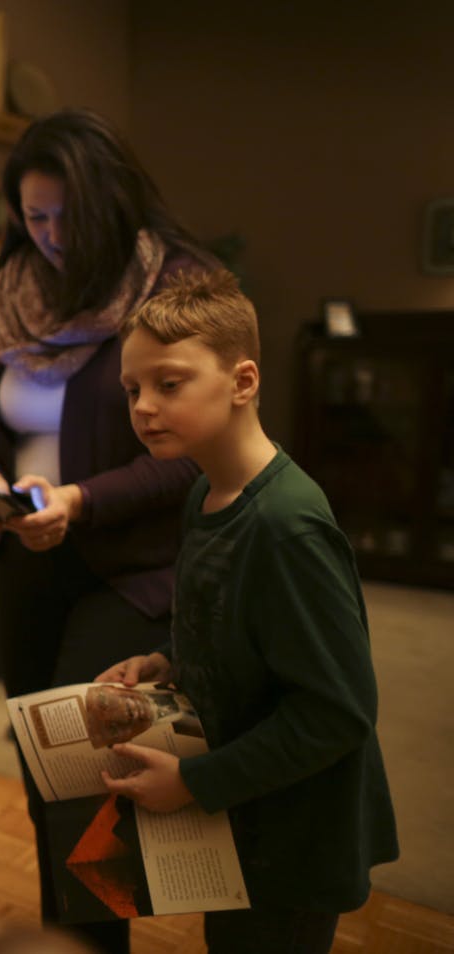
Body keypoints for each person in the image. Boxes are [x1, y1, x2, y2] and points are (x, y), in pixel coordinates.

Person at [0, 108, 214, 952]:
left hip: (129, 572)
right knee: (42, 780)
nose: (53, 237)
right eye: (35, 217)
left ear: (112, 202)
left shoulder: (176, 285)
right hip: (26, 563)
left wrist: (79, 500)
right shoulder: (8, 294)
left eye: (68, 216)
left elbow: (196, 453)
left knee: (90, 785)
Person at [97, 270, 397, 953]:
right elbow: (240, 637)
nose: (143, 406)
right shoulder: (203, 494)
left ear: (243, 382)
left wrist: (195, 782)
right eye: (133, 389)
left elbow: (338, 710)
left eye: (168, 383)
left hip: (294, 838)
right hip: (242, 818)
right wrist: (166, 665)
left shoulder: (288, 526)